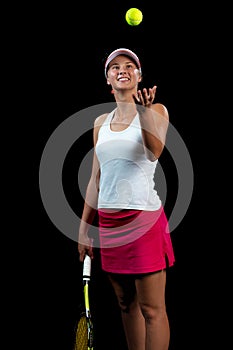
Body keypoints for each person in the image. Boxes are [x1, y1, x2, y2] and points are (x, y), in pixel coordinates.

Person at [78, 48, 175, 350]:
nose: (123, 69)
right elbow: (96, 178)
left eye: (130, 66)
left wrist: (144, 115)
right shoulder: (100, 123)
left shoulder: (156, 111)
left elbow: (154, 151)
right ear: (108, 79)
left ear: (139, 76)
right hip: (109, 224)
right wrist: (83, 228)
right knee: (125, 303)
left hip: (143, 221)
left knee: (152, 310)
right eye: (115, 67)